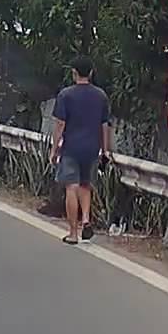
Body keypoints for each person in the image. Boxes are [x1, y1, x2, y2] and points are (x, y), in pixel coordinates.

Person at [50, 55, 112, 244]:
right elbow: (105, 125)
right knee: (86, 185)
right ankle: (85, 220)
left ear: (74, 73)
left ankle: (73, 233)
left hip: (71, 148)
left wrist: (54, 149)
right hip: (92, 149)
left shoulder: (65, 95)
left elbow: (60, 124)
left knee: (71, 187)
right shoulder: (101, 96)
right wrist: (105, 150)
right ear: (91, 73)